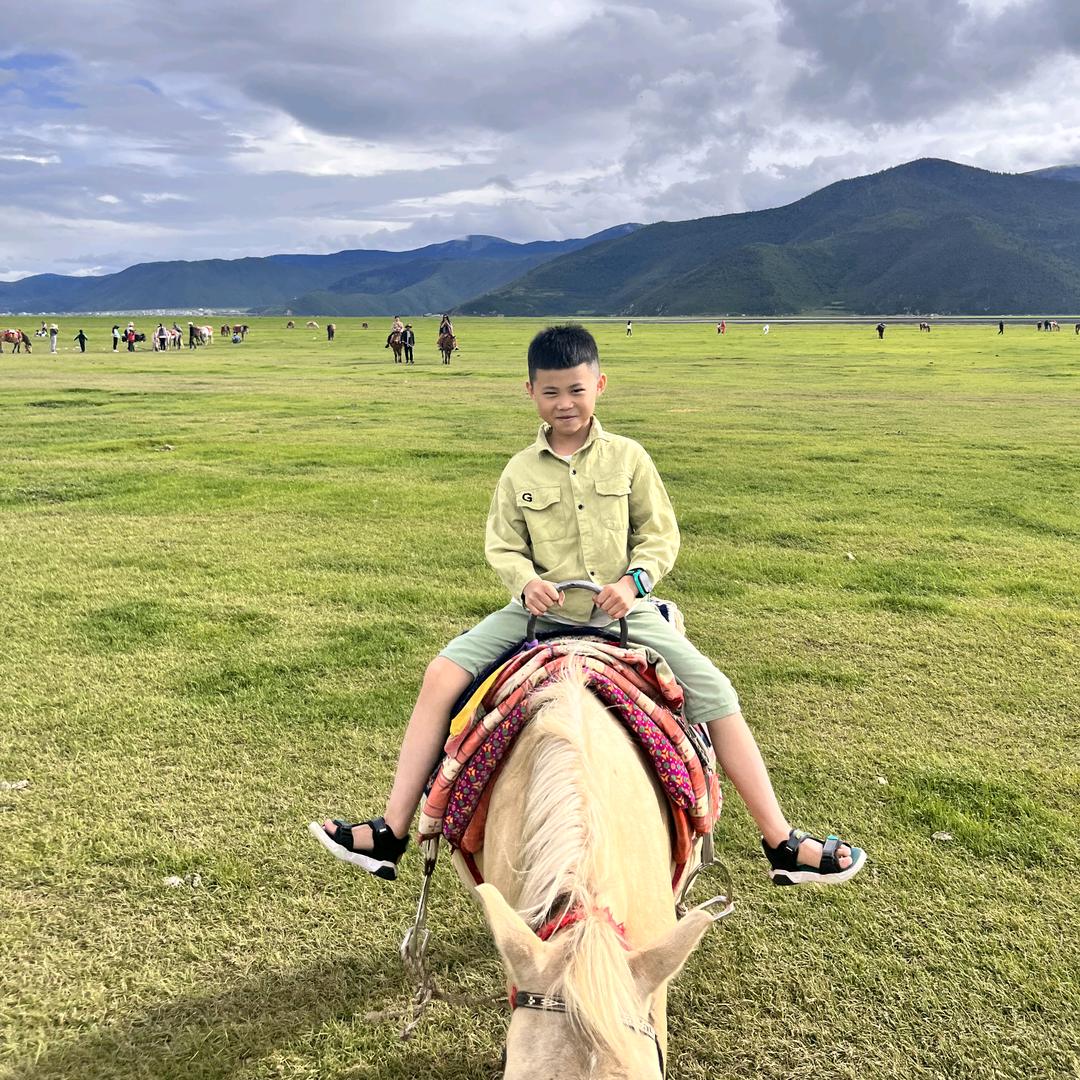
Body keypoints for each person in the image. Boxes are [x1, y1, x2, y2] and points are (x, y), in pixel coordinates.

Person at [310, 324, 866, 887]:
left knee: (717, 693)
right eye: (551, 392)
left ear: (599, 385)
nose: (565, 403)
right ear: (529, 392)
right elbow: (503, 543)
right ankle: (392, 831)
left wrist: (635, 583)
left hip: (622, 612)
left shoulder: (628, 458)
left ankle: (780, 841)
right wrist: (525, 582)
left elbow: (659, 535)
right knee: (440, 675)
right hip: (539, 613)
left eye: (576, 390)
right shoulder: (519, 470)